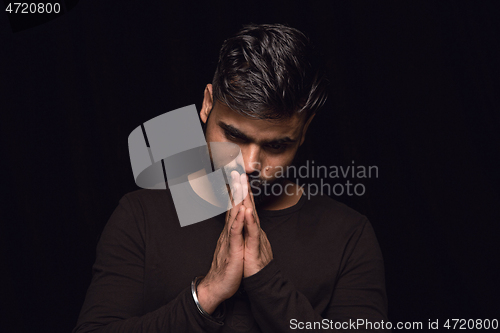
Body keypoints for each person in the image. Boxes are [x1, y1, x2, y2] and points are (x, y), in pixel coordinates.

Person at [73, 23, 389, 332]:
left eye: (277, 145)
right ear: (207, 105)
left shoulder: (349, 235)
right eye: (234, 136)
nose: (250, 164)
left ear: (304, 130)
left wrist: (267, 283)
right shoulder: (140, 216)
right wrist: (206, 295)